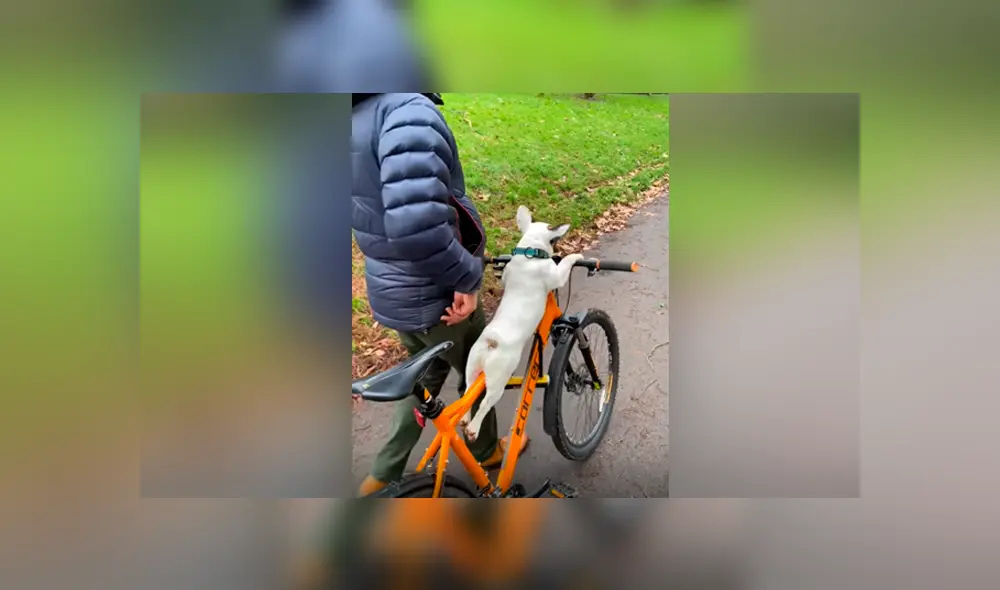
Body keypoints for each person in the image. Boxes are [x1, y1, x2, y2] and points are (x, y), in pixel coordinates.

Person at [351, 92, 530, 496]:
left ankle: (384, 470)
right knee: (479, 371)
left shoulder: (354, 116)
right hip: (438, 294)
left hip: (393, 291)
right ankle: (486, 454)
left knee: (423, 380)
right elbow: (418, 226)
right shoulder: (406, 110)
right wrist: (467, 278)